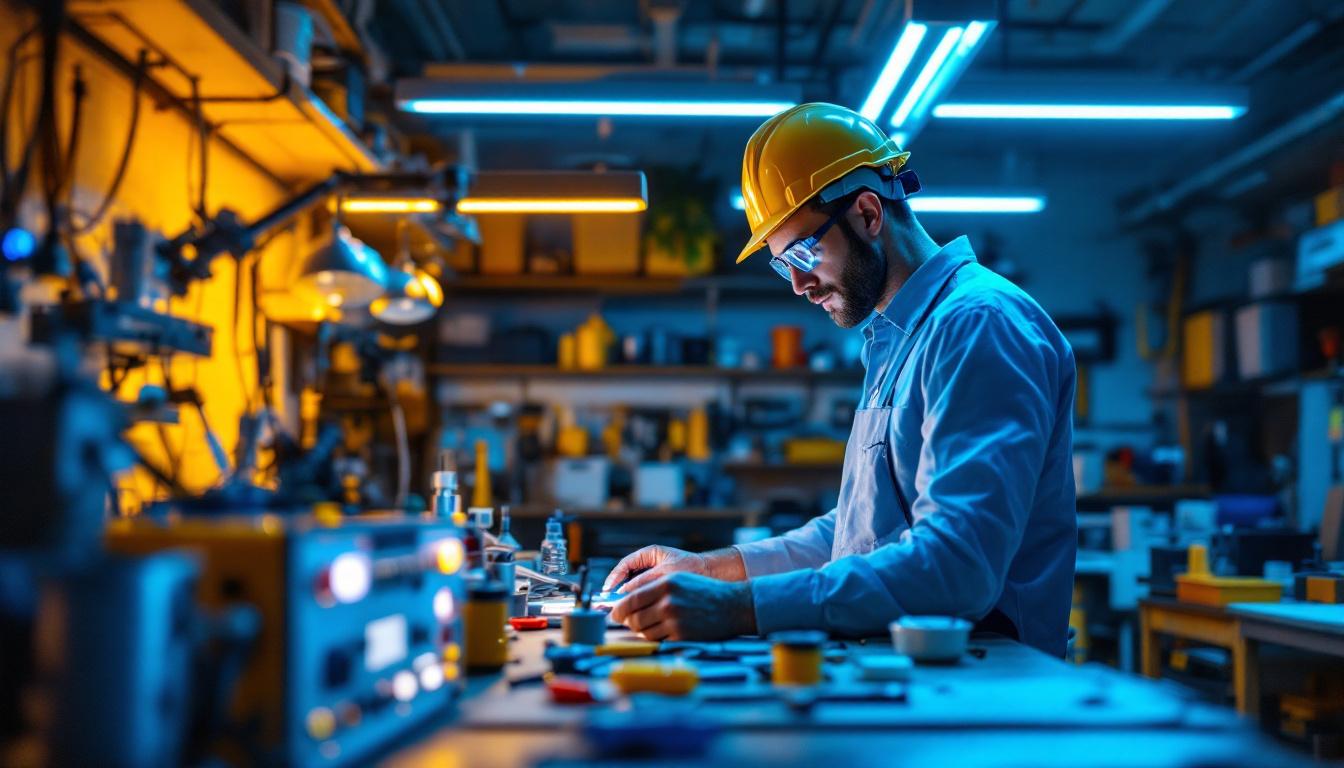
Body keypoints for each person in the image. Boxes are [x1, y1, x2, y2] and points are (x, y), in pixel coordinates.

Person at [605, 103, 1078, 656]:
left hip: (989, 686)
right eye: (784, 263)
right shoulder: (896, 338)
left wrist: (740, 609)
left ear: (869, 213)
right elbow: (859, 535)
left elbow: (956, 567)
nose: (799, 285)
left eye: (804, 251)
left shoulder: (979, 326)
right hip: (919, 670)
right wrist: (711, 571)